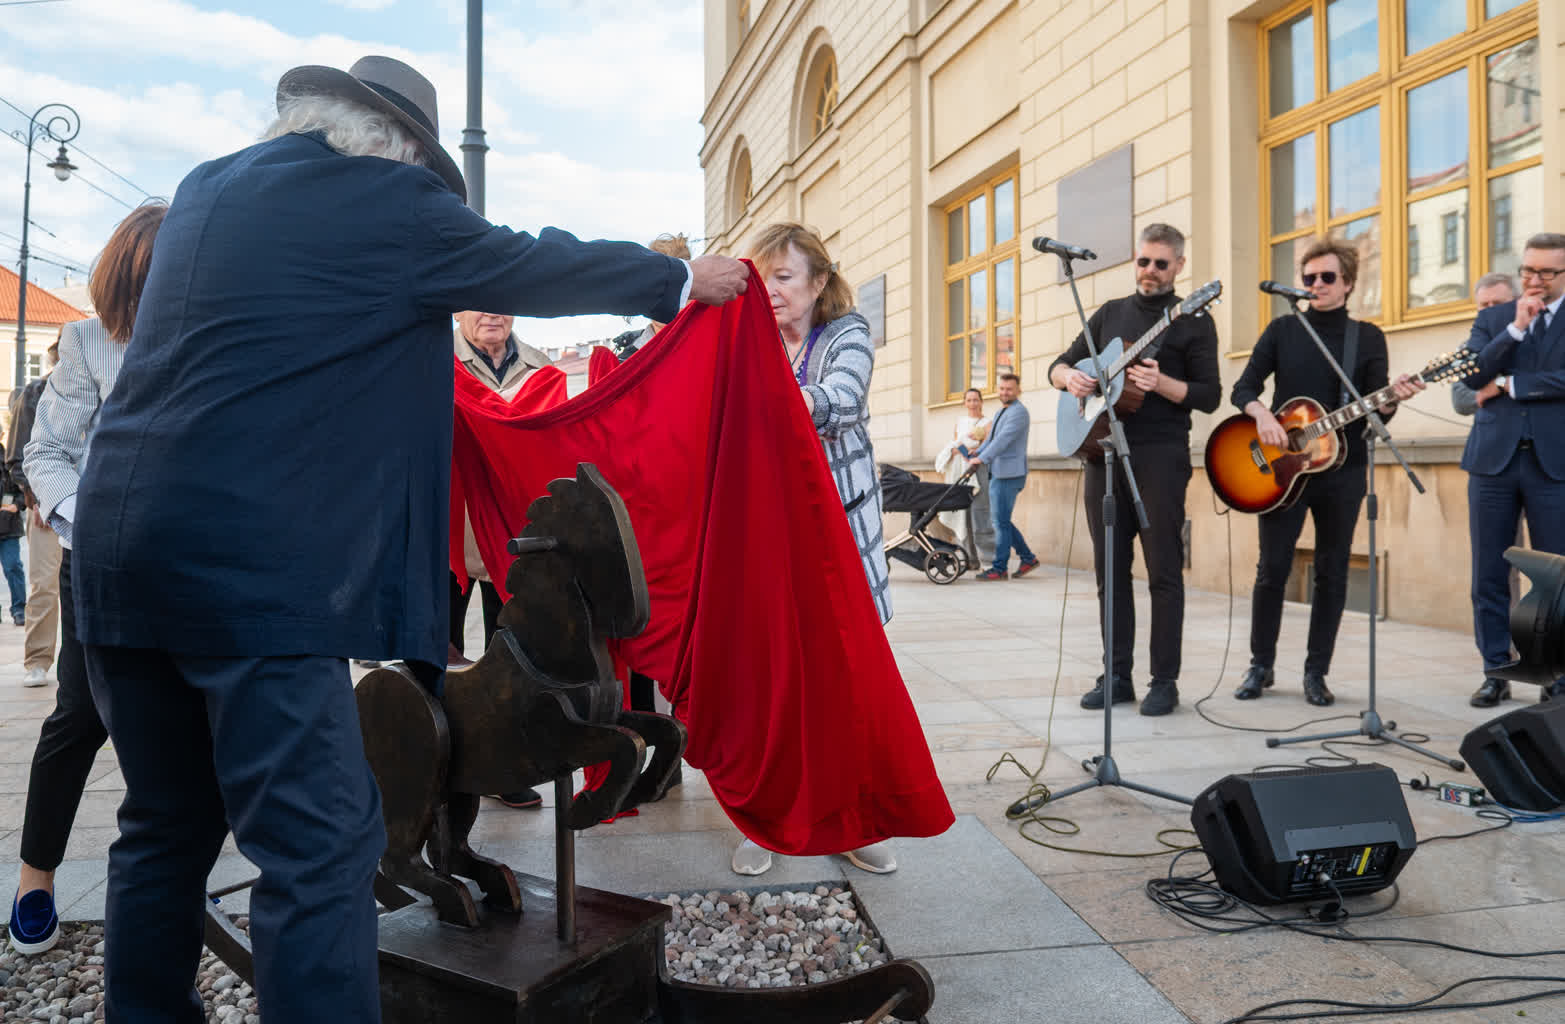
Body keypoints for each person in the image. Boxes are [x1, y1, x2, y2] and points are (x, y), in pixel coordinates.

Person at [67, 56, 747, 1023]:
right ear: (399, 149)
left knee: (162, 827)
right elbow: (531, 262)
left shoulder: (208, 187)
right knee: (320, 846)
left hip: (119, 552)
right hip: (247, 579)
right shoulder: (385, 198)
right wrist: (678, 276)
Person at [11, 201, 168, 956]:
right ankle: (34, 878)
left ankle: (172, 875)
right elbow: (44, 454)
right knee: (79, 717)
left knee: (184, 720)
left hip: (190, 565)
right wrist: (92, 523)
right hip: (100, 562)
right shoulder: (85, 340)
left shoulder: (214, 333)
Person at [735, 221, 894, 877]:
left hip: (839, 537)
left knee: (845, 686)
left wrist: (766, 396)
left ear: (819, 280)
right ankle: (768, 823)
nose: (771, 290)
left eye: (784, 276)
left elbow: (841, 401)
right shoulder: (748, 338)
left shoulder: (846, 332)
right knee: (774, 685)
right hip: (770, 533)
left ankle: (851, 821)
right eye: (761, 277)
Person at [1230, 239, 1422, 706]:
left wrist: (1392, 399)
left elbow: (1377, 409)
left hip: (1343, 470)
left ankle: (1316, 673)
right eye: (1309, 277)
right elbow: (1243, 388)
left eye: (1327, 277)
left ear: (1348, 283)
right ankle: (1260, 665)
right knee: (1272, 569)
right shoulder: (1283, 329)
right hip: (1282, 470)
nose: (1316, 284)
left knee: (1332, 573)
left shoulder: (1367, 337)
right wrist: (1262, 415)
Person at [1047, 223, 1220, 716]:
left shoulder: (1193, 320)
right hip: (1102, 453)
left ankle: (1164, 680)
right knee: (1110, 571)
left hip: (1161, 456)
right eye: (1143, 261)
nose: (1149, 270)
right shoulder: (1110, 313)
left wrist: (1162, 383)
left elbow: (1210, 396)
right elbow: (1057, 366)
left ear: (1179, 266)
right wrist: (1071, 378)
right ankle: (1116, 675)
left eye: (1161, 263)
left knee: (1163, 569)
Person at [1460, 233, 1565, 707]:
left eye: (1546, 272)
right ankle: (1495, 670)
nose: (1534, 280)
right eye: (1528, 270)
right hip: (1492, 462)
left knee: (1553, 576)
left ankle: (1554, 674)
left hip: (1553, 463)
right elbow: (1471, 375)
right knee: (1489, 573)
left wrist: (1511, 384)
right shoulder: (1494, 318)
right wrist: (1516, 329)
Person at [7, 338, 63, 687]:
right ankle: (38, 660)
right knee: (44, 585)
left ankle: (83, 664)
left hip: (92, 502)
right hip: (45, 505)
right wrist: (37, 496)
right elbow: (18, 454)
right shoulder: (36, 392)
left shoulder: (102, 385)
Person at [969, 373, 1036, 581]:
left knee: (1000, 522)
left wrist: (982, 458)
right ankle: (1028, 558)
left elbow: (1003, 441)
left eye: (1009, 389)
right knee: (1002, 521)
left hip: (1009, 474)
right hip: (998, 472)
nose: (1005, 392)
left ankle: (999, 568)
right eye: (1002, 388)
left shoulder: (1019, 413)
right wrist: (978, 452)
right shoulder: (1001, 411)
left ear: (1018, 390)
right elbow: (991, 439)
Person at [934, 387, 993, 561]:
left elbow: (986, 447)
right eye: (969, 400)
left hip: (978, 470)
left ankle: (987, 559)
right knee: (962, 513)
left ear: (981, 402)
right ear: (964, 403)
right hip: (959, 470)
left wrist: (966, 450)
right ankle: (969, 558)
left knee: (979, 513)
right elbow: (956, 444)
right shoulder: (959, 422)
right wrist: (958, 450)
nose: (972, 403)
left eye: (976, 400)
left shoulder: (988, 423)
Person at [611, 233, 693, 358]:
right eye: (658, 291)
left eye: (679, 291)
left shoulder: (716, 344)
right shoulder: (627, 361)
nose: (668, 301)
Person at [1451, 273, 1519, 418]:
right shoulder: (1466, 348)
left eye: (1498, 303)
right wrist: (1498, 387)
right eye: (1484, 305)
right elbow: (1460, 402)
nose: (1490, 310)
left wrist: (1500, 384)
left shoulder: (1534, 336)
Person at [0, 451, 24, 627]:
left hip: (9, 526)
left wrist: (17, 505)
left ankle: (19, 610)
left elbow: (23, 488)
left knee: (13, 567)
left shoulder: (9, 461)